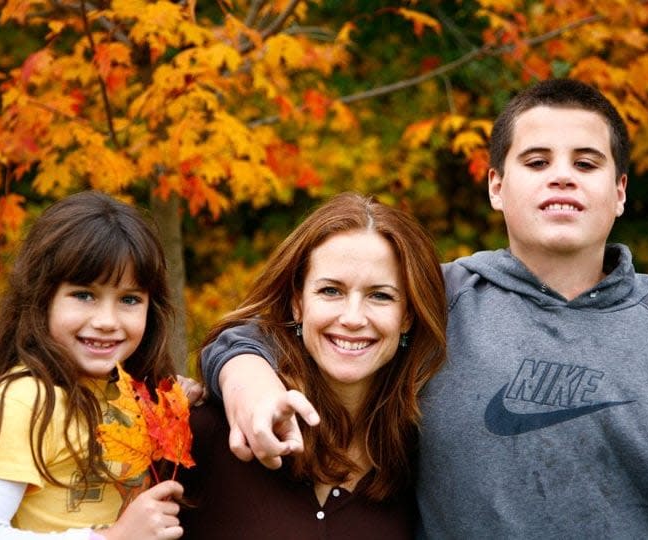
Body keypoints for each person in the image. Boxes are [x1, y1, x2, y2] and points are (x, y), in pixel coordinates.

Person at [200, 79, 648, 538]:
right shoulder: (437, 301)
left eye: (586, 164)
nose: (561, 177)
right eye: (536, 162)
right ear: (495, 186)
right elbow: (269, 330)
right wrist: (247, 378)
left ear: (619, 192)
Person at [178, 192, 447, 539]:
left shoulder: (421, 457)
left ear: (407, 316)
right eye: (331, 291)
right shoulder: (209, 430)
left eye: (380, 295)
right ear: (297, 304)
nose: (352, 318)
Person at [0, 191, 185, 540]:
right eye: (84, 295)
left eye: (129, 299)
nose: (107, 321)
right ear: (42, 299)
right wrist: (110, 539)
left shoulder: (133, 394)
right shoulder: (22, 402)